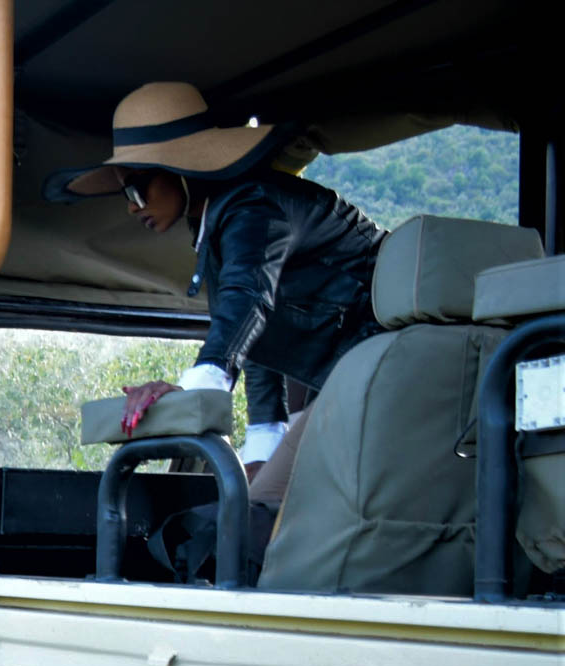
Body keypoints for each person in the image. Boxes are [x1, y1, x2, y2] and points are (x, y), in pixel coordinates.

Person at [51, 82, 386, 490]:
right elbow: (260, 337)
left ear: (180, 171)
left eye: (136, 187)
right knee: (257, 496)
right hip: (334, 371)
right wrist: (263, 447)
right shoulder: (214, 226)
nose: (132, 205)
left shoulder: (255, 206)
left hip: (374, 359)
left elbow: (249, 300)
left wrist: (193, 390)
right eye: (125, 193)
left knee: (264, 508)